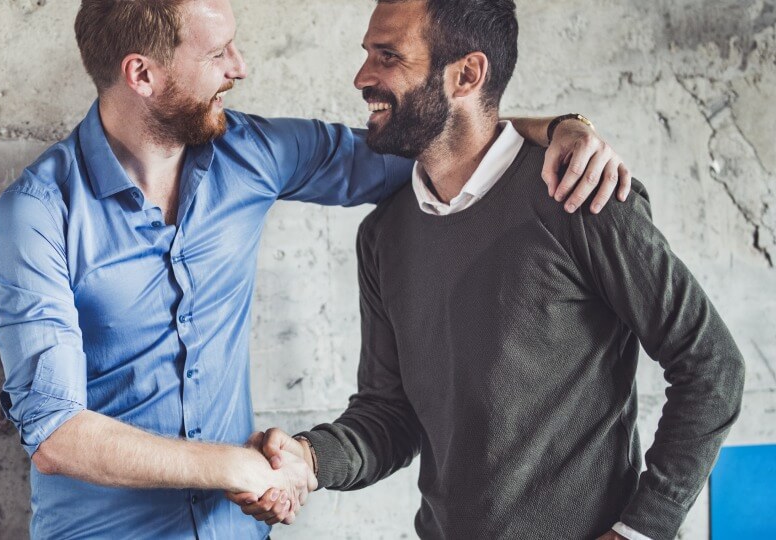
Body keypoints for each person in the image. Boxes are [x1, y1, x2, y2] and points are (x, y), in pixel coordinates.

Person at [0, 0, 633, 537]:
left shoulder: (251, 152)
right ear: (142, 74)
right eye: (217, 55)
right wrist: (236, 470)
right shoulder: (38, 215)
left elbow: (436, 141)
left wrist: (562, 127)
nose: (240, 68)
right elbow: (57, 434)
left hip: (236, 527)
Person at [231, 0, 745, 538]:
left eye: (388, 56)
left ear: (466, 75)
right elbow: (389, 416)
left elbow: (713, 366)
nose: (363, 77)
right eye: (368, 55)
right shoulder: (383, 235)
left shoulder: (579, 195)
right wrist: (307, 461)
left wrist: (643, 528)